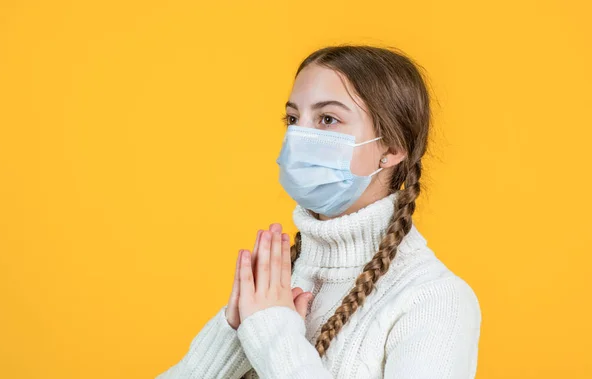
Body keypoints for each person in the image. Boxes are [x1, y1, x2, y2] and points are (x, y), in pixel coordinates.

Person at [156, 44, 482, 379]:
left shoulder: (436, 299)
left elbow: (275, 338)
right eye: (293, 119)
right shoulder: (277, 285)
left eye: (328, 119)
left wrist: (273, 336)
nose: (300, 137)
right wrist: (232, 336)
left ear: (393, 147)